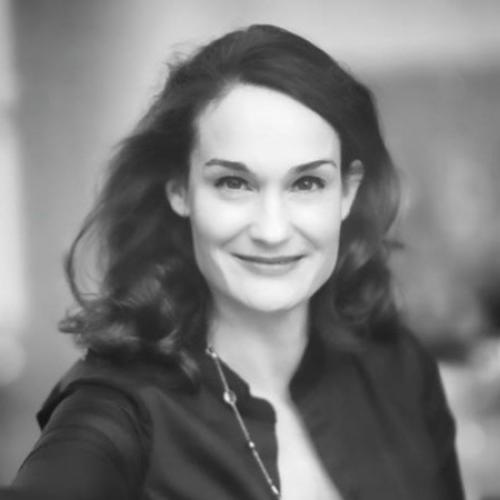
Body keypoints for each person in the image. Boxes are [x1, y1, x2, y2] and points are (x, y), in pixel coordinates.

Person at [2, 24, 464, 500]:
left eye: (307, 183)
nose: (272, 230)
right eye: (233, 183)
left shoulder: (398, 368)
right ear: (180, 190)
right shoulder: (116, 409)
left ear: (347, 192)